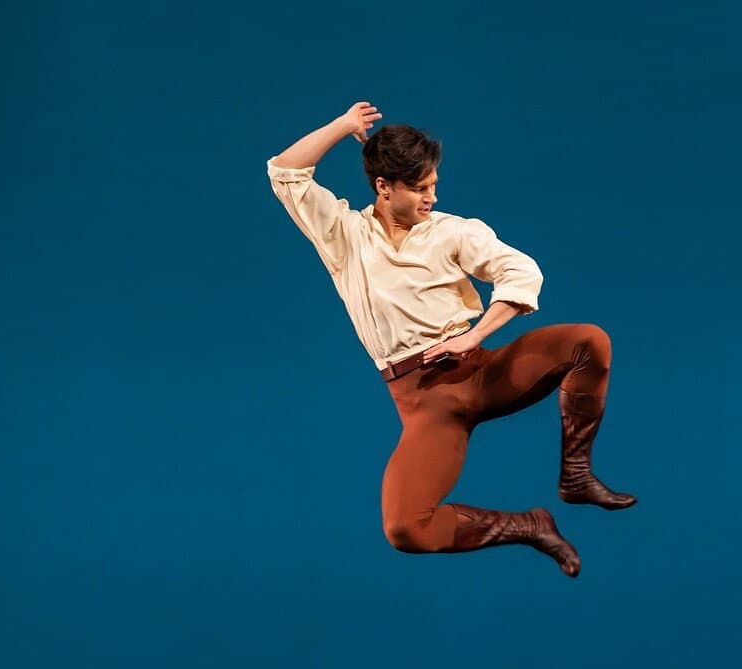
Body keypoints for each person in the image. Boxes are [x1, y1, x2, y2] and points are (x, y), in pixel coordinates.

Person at [266, 101, 635, 577]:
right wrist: (343, 126)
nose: (431, 198)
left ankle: (577, 475)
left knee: (589, 341)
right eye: (419, 189)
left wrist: (476, 336)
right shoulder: (344, 235)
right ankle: (529, 526)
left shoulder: (452, 232)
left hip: (478, 372)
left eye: (434, 185)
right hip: (426, 403)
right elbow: (285, 172)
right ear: (383, 187)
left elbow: (521, 271)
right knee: (406, 528)